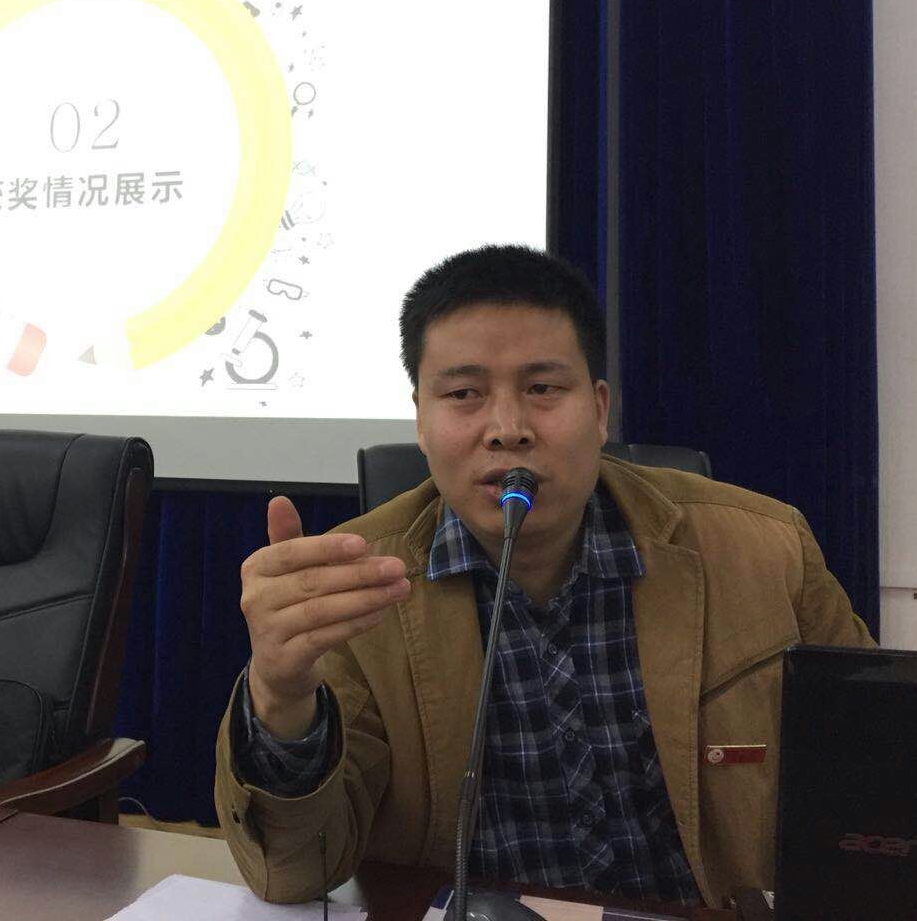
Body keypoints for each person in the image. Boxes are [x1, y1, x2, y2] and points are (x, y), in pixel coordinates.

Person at [213, 244, 874, 909]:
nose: (508, 429)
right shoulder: (353, 590)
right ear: (421, 419)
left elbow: (878, 782)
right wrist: (281, 698)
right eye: (464, 394)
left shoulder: (766, 550)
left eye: (542, 389)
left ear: (600, 409)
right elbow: (296, 872)